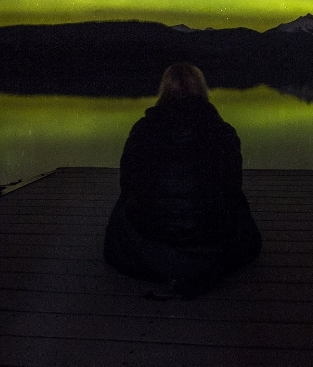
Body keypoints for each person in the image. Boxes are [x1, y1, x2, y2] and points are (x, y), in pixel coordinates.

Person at [103, 63, 262, 299]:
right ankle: (198, 262)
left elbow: (127, 185)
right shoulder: (222, 131)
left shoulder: (143, 129)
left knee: (121, 211)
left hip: (154, 232)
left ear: (164, 91)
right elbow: (232, 188)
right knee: (240, 211)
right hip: (210, 235)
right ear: (202, 90)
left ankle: (167, 261)